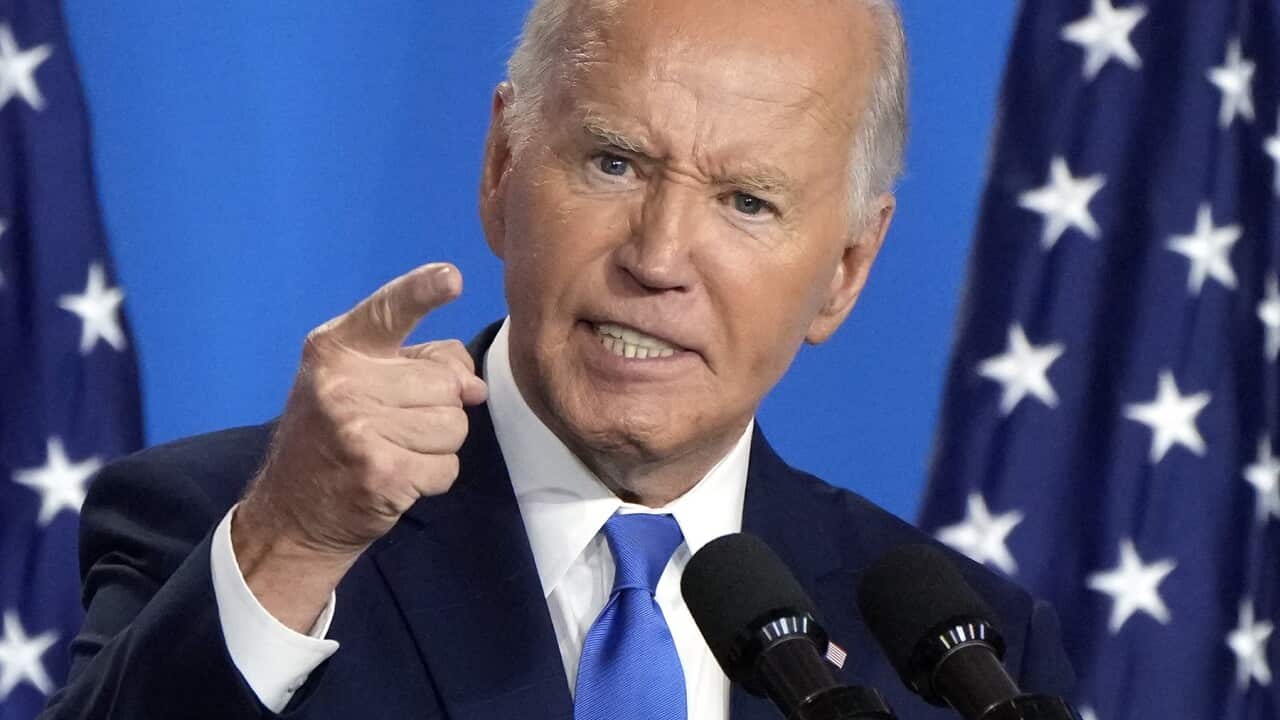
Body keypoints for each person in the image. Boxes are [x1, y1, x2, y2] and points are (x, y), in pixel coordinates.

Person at [42, 1, 1074, 718]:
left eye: (746, 201)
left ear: (846, 268)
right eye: (613, 161)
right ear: (502, 167)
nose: (657, 257)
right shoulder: (233, 529)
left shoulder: (964, 659)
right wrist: (293, 543)